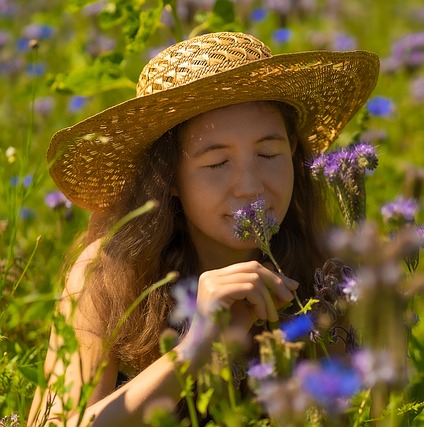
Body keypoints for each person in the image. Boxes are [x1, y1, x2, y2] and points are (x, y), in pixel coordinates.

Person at [28, 31, 379, 426]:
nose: (250, 185)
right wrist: (194, 348)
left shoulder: (326, 272)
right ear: (170, 179)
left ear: (293, 152)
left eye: (268, 153)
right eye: (216, 164)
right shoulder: (109, 273)